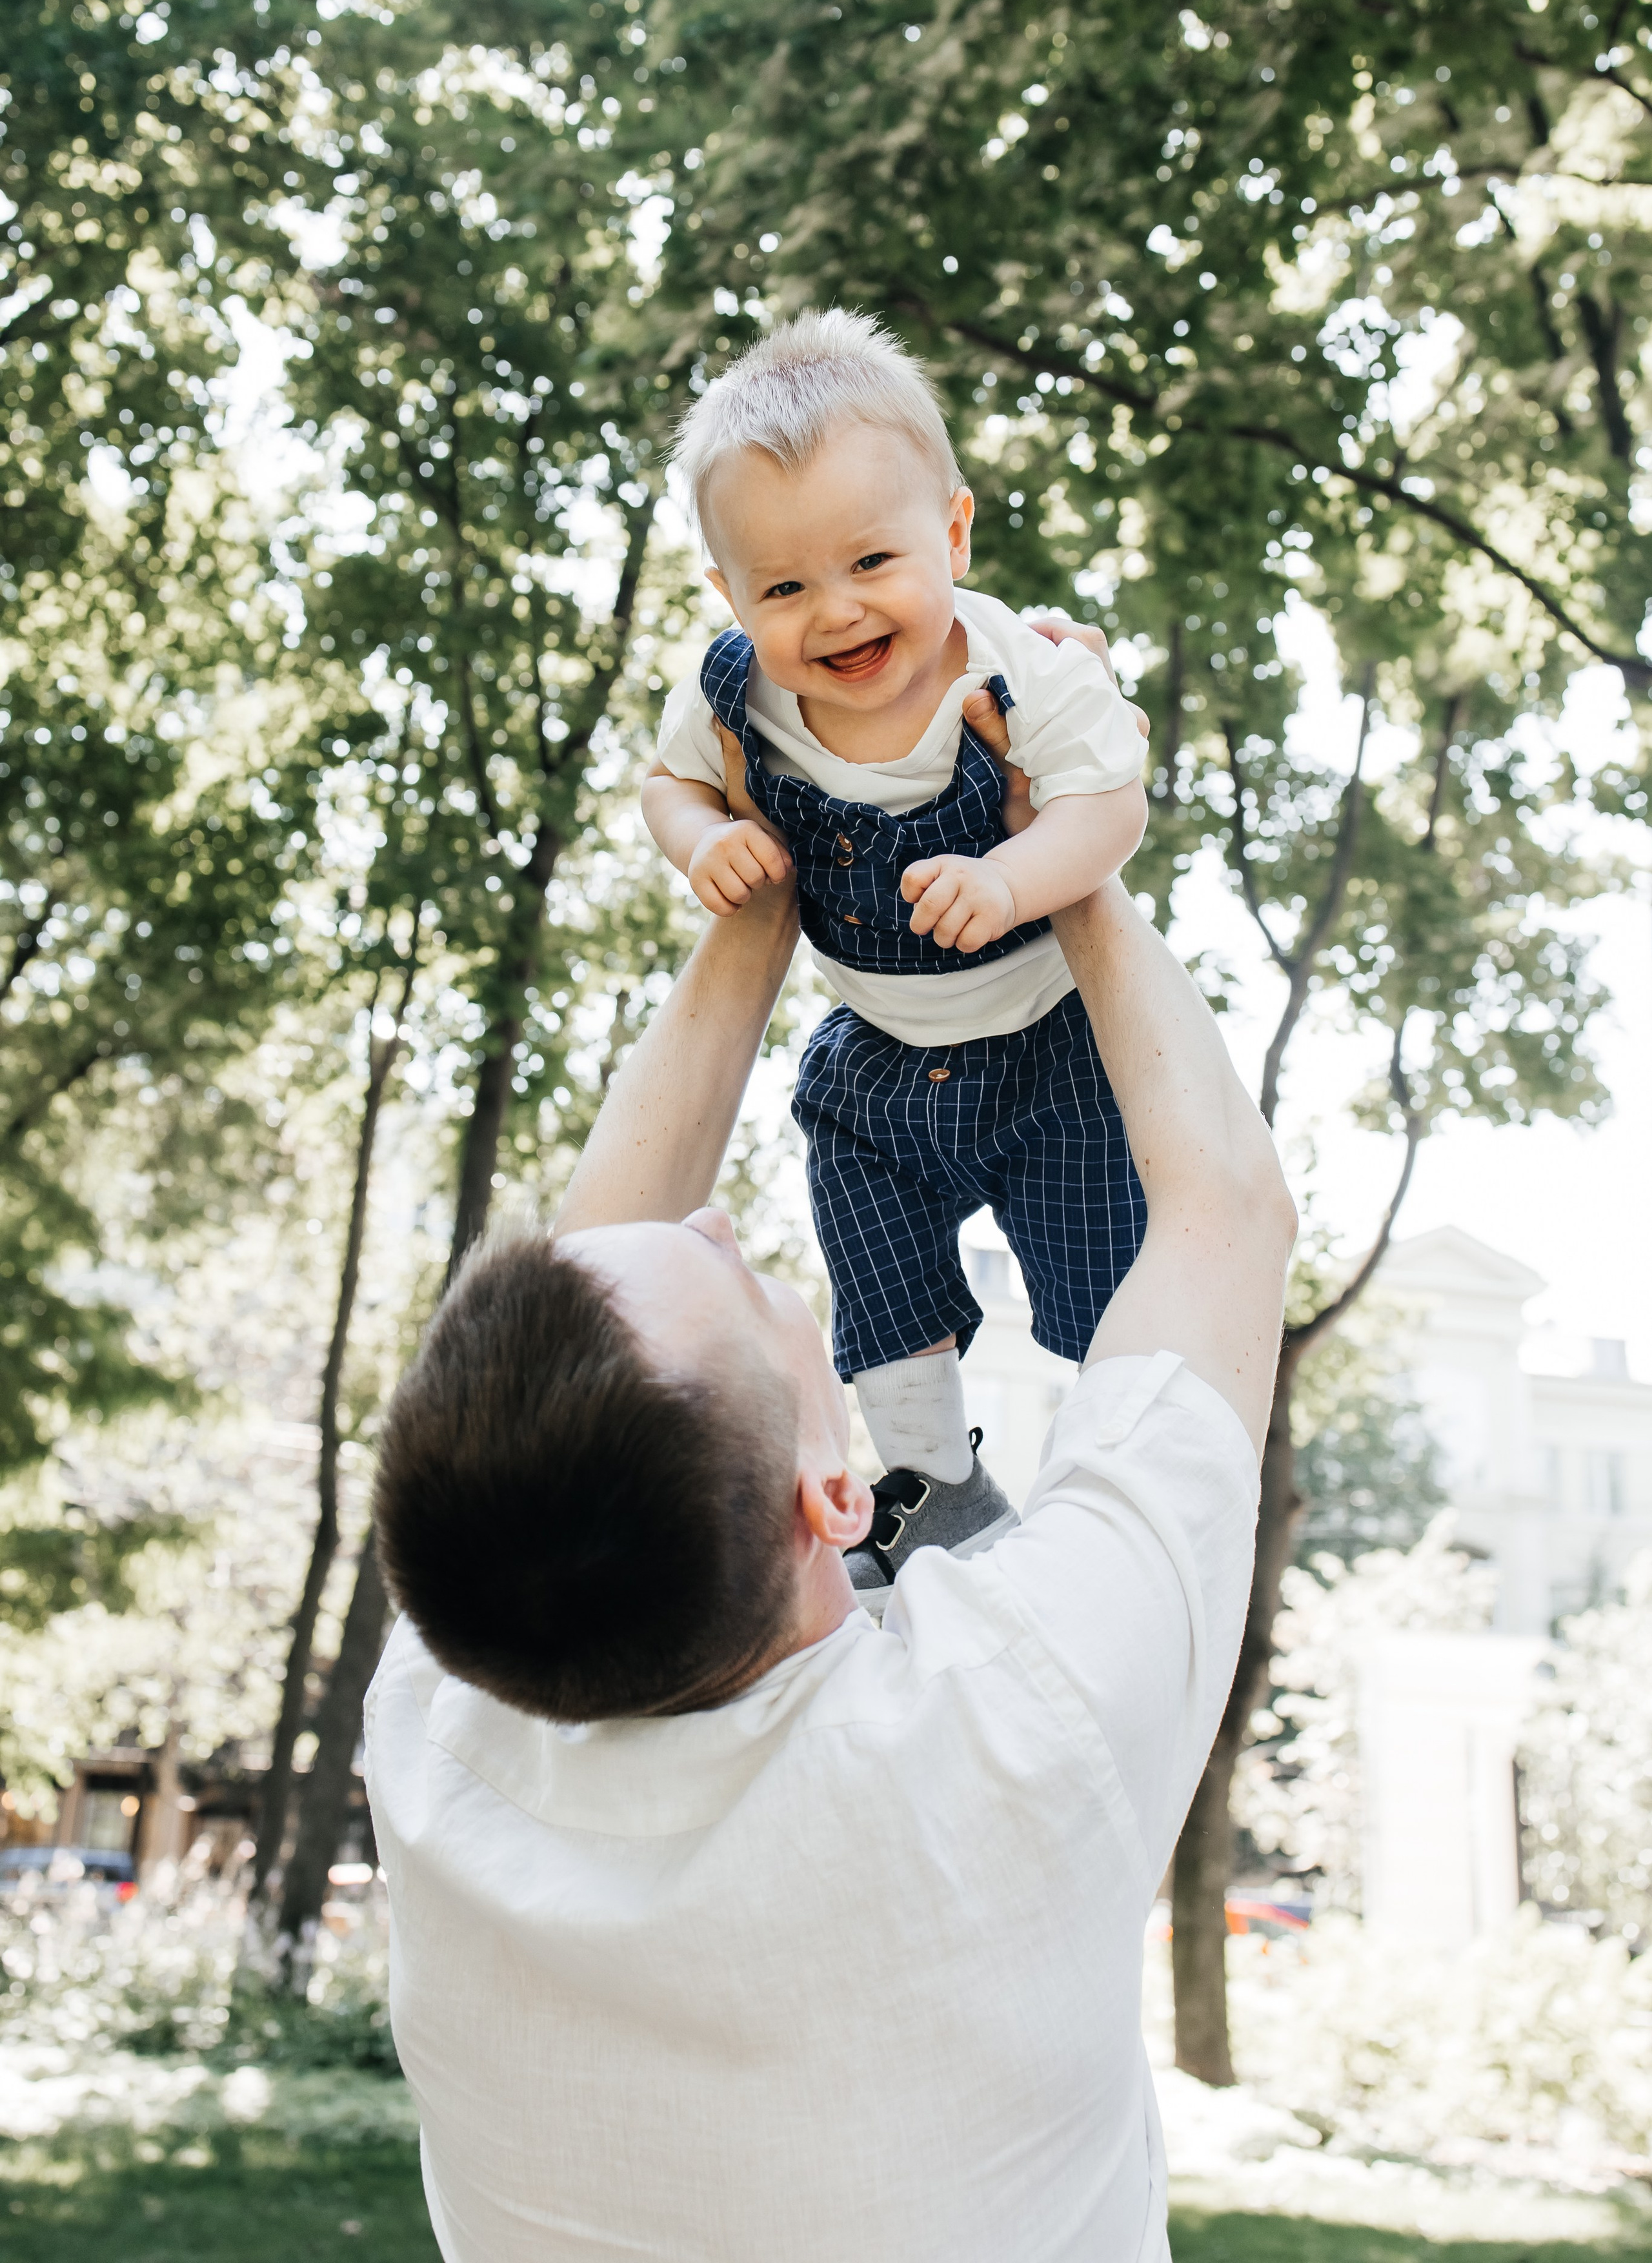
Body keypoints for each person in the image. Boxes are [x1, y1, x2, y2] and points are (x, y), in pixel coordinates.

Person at [365, 729, 1296, 2261]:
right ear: (832, 1497)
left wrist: (768, 884)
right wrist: (1066, 854)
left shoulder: (448, 1740)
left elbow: (583, 1308)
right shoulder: (1018, 1718)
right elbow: (1223, 1209)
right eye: (733, 1276)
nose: (720, 1217)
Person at [642, 311, 1151, 1607]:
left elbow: (1108, 807)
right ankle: (930, 1483)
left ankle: (1117, 1484)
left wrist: (1008, 877)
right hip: (880, 1052)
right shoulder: (734, 696)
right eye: (784, 587)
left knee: (1103, 1281)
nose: (838, 610)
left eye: (871, 558)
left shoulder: (1021, 668)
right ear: (730, 597)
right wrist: (701, 838)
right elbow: (667, 779)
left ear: (953, 536)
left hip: (1050, 1045)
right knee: (873, 1271)